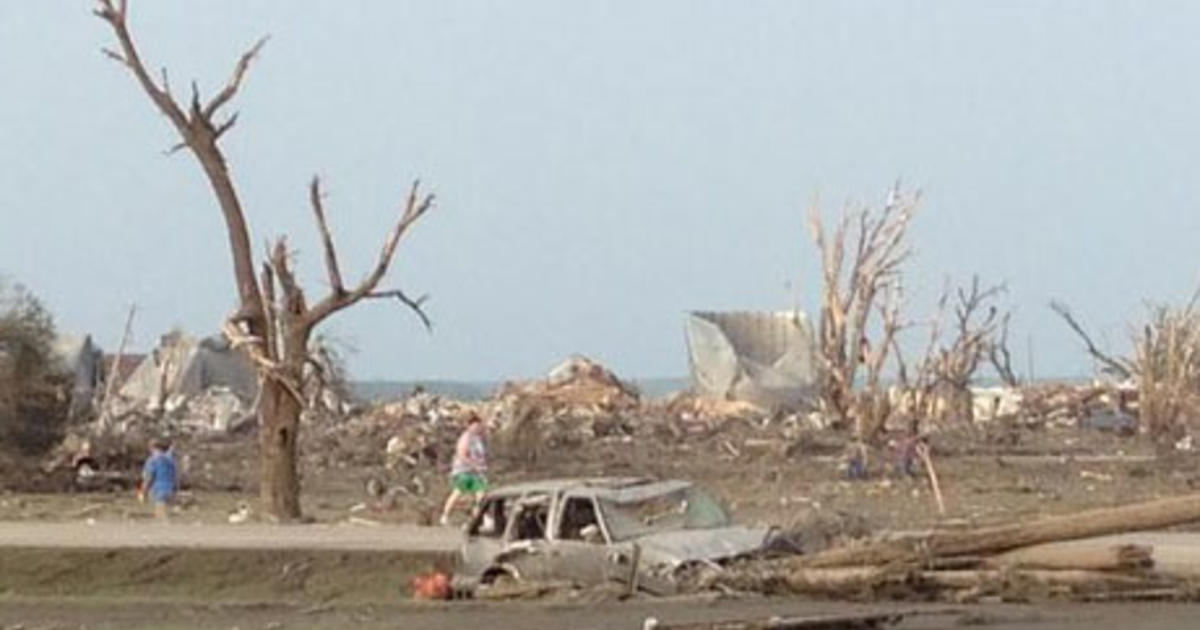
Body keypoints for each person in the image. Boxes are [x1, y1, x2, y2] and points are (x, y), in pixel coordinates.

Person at [439, 413, 488, 526]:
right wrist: (473, 465)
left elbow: (481, 455)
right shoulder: (465, 438)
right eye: (475, 426)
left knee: (481, 494)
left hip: (477, 472)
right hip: (463, 471)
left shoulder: (478, 439)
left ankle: (480, 517)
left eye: (479, 426)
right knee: (458, 492)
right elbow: (462, 454)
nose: (477, 428)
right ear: (469, 426)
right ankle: (445, 515)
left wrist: (481, 466)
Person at [139, 438, 178, 520]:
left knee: (161, 517)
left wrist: (143, 491)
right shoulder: (170, 459)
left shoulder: (152, 460)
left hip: (158, 490)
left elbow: (148, 477)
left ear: (150, 447)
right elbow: (175, 476)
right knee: (169, 516)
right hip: (170, 490)